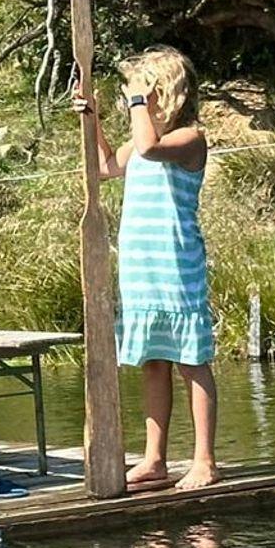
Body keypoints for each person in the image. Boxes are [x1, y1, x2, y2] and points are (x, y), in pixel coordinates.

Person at [75, 46, 219, 490]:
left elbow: (149, 148)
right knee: (153, 361)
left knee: (191, 360)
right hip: (141, 268)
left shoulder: (189, 139)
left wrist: (137, 102)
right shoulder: (140, 144)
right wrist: (92, 118)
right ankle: (155, 458)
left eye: (145, 91)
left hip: (176, 265)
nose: (135, 100)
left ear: (166, 93)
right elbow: (103, 167)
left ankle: (204, 460)